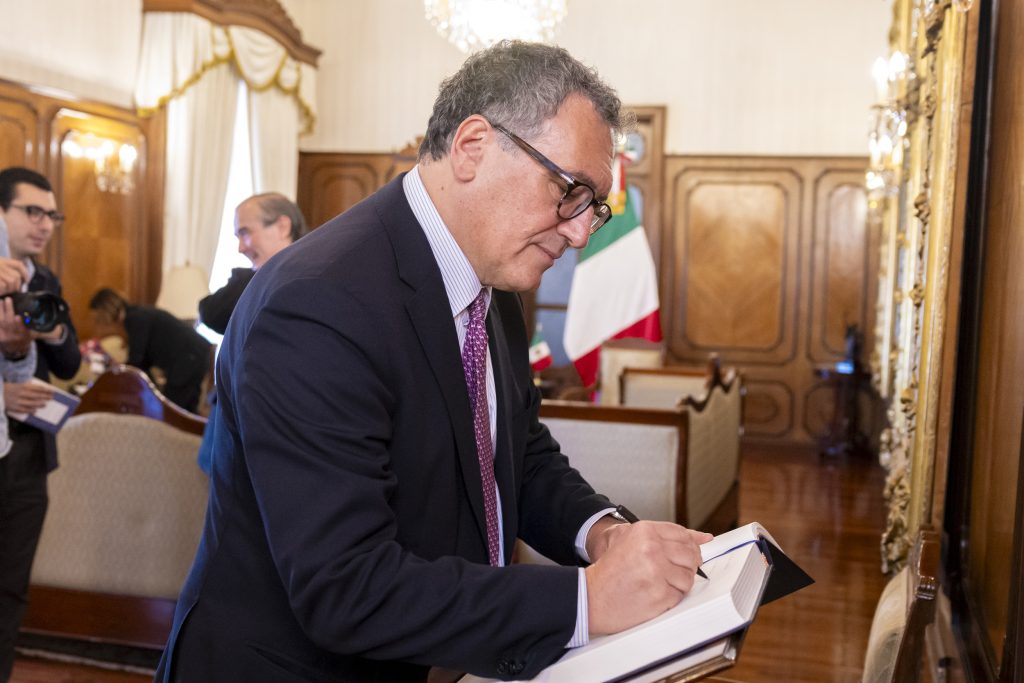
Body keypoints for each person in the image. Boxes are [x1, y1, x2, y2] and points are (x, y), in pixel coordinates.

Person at [157, 41, 711, 682]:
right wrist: (587, 600)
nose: (581, 231)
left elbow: (517, 456)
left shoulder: (493, 282)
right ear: (473, 147)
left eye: (594, 206)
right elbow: (347, 587)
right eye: (569, 192)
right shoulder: (317, 302)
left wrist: (601, 533)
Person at [0, 167, 81, 682]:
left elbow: (70, 363)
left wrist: (50, 334)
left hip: (29, 450)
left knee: (11, 585)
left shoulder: (45, 281)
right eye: (32, 211)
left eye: (52, 215)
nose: (45, 224)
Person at [197, 192, 307, 334]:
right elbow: (212, 313)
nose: (241, 248)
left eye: (245, 233)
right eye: (238, 237)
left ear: (282, 227)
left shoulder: (310, 278)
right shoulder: (253, 278)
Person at [88, 288, 211, 413]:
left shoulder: (135, 319)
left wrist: (116, 374)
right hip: (197, 352)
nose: (99, 323)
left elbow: (136, 362)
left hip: (190, 356)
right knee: (186, 411)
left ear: (106, 311)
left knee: (172, 412)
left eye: (98, 318)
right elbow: (142, 363)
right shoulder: (136, 316)